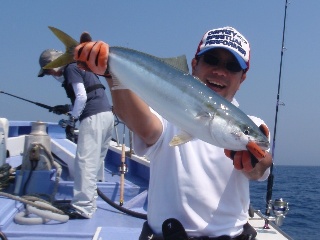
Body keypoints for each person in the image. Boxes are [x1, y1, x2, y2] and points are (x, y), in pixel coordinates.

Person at [74, 26, 272, 238]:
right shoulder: (169, 113)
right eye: (212, 60)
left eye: (232, 66)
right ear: (194, 65)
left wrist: (256, 161)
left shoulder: (253, 124)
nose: (220, 71)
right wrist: (110, 72)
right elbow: (142, 125)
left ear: (242, 78)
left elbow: (259, 168)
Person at [37, 45, 114, 219]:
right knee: (94, 164)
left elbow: (82, 97)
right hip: (106, 115)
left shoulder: (71, 68)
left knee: (85, 163)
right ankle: (90, 203)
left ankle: (83, 207)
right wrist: (67, 108)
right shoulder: (80, 66)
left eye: (49, 72)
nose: (52, 76)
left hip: (92, 117)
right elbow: (88, 94)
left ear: (53, 65)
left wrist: (72, 118)